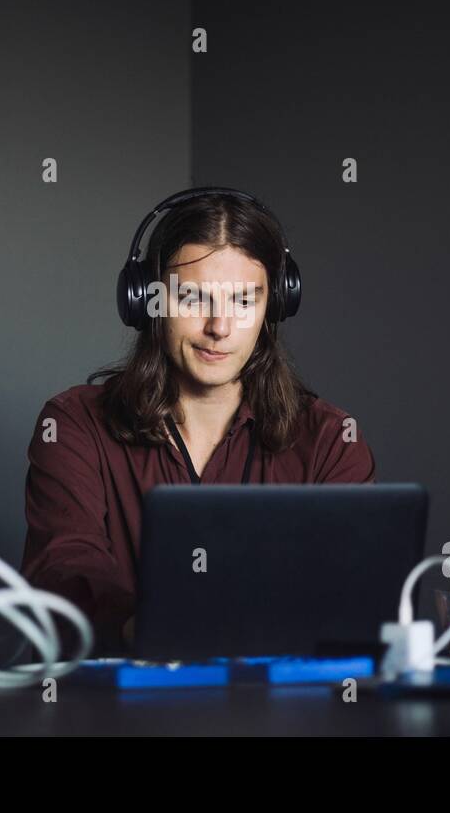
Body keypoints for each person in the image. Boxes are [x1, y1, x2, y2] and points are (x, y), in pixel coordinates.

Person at [20, 189, 375, 654]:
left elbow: (351, 598)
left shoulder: (331, 441)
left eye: (245, 301)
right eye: (193, 298)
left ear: (274, 307)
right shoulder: (74, 424)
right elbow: (63, 572)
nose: (220, 327)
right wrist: (149, 626)